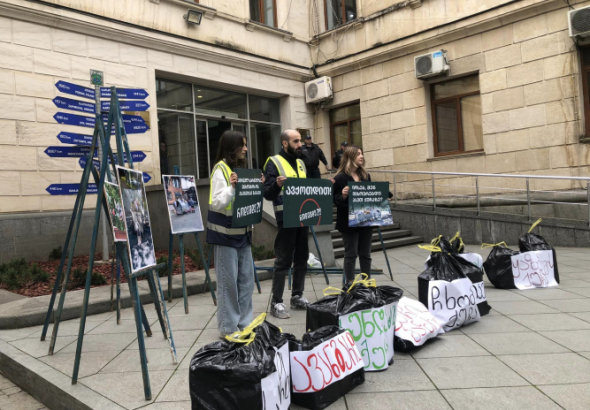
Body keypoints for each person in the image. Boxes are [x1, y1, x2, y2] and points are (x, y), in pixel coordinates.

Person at [207, 130, 261, 338]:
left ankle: (245, 323)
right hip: (225, 236)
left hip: (242, 235)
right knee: (228, 284)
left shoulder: (237, 169)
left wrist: (255, 184)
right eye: (243, 145)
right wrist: (232, 187)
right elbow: (218, 201)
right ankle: (228, 328)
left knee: (246, 281)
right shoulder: (220, 170)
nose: (246, 149)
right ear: (233, 147)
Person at [263, 129, 310, 319]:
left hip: (303, 217)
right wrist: (277, 185)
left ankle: (297, 296)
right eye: (296, 141)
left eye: (300, 141)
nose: (301, 144)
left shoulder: (300, 163)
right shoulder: (273, 162)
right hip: (286, 219)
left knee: (302, 258)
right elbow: (267, 193)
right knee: (283, 260)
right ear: (285, 143)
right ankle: (276, 302)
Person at [332, 146, 374, 288]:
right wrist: (343, 196)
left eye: (362, 154)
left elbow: (370, 195)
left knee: (366, 254)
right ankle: (349, 284)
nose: (361, 156)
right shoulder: (340, 178)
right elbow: (335, 200)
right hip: (349, 222)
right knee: (351, 254)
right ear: (350, 158)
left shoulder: (365, 176)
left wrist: (383, 198)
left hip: (366, 219)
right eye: (358, 154)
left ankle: (366, 282)